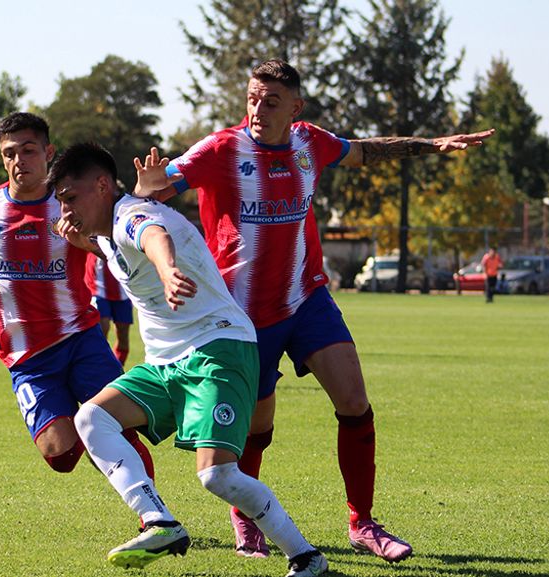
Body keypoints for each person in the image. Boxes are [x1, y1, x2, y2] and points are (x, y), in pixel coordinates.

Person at [134, 59, 495, 562]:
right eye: (253, 98)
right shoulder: (220, 149)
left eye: (272, 100)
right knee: (256, 429)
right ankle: (246, 516)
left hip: (307, 298)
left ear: (295, 108)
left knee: (354, 400)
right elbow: (151, 193)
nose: (259, 108)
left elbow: (365, 152)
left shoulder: (311, 142)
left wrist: (431, 144)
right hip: (241, 318)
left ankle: (362, 523)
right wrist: (149, 185)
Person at [50, 143, 328, 577]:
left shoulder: (132, 218)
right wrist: (83, 242)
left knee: (218, 477)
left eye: (70, 197)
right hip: (165, 363)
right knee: (90, 420)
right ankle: (160, 521)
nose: (64, 207)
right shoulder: (108, 232)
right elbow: (118, 252)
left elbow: (153, 237)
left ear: (102, 186)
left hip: (218, 349)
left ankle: (306, 557)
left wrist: (167, 269)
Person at [0, 112, 154, 480]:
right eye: (9, 153)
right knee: (60, 454)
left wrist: (82, 241)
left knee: (119, 432)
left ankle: (155, 519)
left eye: (28, 151)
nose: (18, 161)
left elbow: (112, 249)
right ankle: (88, 425)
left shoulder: (69, 203)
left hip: (81, 339)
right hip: (27, 358)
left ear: (48, 152)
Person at [84, 252, 133, 365]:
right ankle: (97, 369)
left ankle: (117, 372)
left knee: (123, 338)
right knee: (101, 332)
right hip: (97, 289)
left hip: (123, 291)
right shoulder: (90, 235)